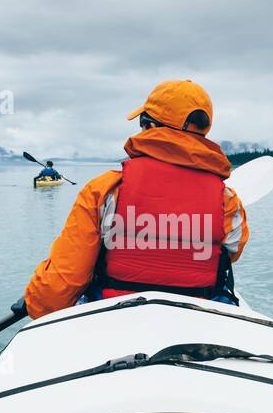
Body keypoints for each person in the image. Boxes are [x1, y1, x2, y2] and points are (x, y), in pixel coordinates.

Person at [23, 80, 249, 319]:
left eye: (142, 123)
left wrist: (36, 302)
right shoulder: (228, 201)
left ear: (150, 126)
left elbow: (60, 286)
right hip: (197, 319)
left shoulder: (105, 189)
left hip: (114, 318)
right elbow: (231, 252)